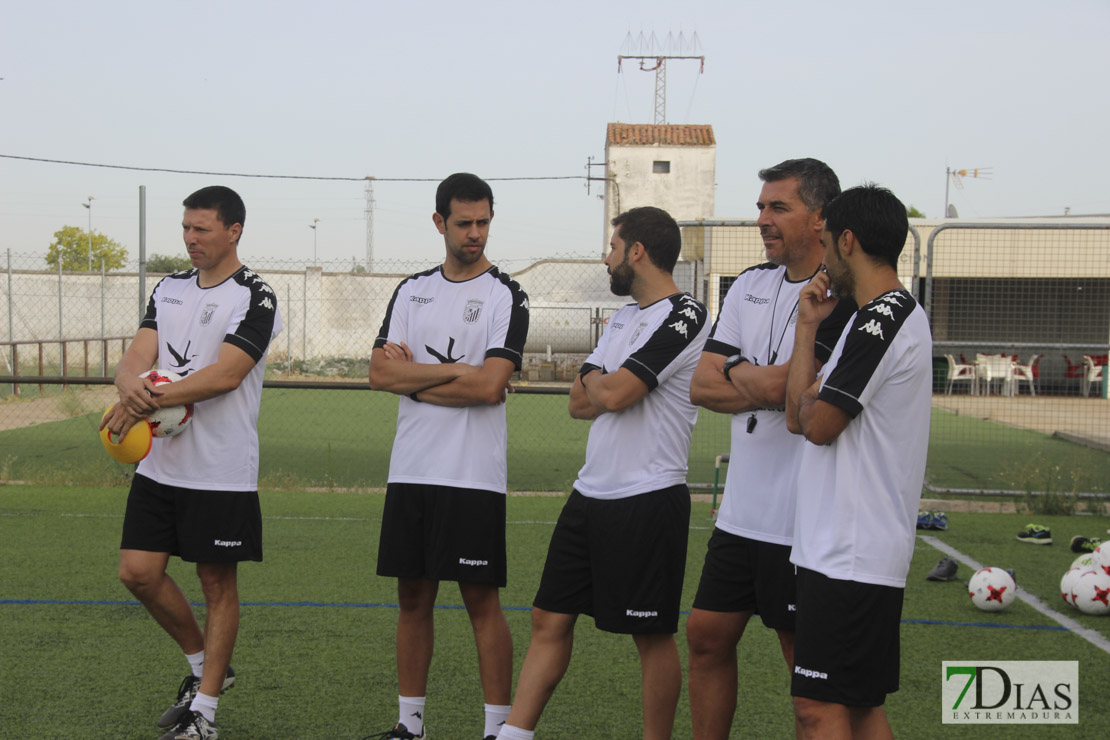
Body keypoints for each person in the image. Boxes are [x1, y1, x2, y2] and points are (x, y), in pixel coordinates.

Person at [498, 206, 710, 740]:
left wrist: (597, 376)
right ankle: (513, 735)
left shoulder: (686, 315)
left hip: (648, 496)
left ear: (637, 250)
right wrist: (601, 380)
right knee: (547, 618)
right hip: (589, 493)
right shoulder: (621, 319)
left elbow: (609, 392)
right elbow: (579, 403)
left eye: (612, 248)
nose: (606, 258)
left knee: (651, 637)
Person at [99, 185, 282, 740]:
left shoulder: (257, 295)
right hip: (160, 466)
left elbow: (226, 375)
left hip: (219, 469)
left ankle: (204, 715)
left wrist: (147, 399)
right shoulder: (171, 286)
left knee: (215, 583)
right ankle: (207, 670)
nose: (190, 239)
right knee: (137, 572)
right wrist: (129, 382)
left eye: (201, 229)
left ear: (234, 231)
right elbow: (139, 352)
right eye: (186, 228)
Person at [686, 158, 851, 739]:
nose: (762, 219)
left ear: (819, 217)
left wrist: (743, 374)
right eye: (760, 206)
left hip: (802, 520)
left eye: (777, 207)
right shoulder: (749, 283)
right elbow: (702, 384)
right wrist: (762, 380)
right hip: (742, 513)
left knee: (809, 679)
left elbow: (802, 393)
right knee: (705, 635)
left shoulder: (841, 294)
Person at [367, 173, 529, 740]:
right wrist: (458, 370)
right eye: (464, 223)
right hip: (412, 468)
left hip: (472, 475)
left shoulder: (507, 294)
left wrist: (413, 380)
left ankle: (496, 730)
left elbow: (491, 388)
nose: (476, 234)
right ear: (440, 223)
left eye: (484, 222)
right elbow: (378, 372)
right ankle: (410, 725)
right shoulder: (412, 290)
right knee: (412, 597)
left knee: (481, 602)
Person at [784, 184, 932, 739]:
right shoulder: (863, 318)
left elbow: (818, 424)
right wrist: (807, 328)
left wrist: (811, 401)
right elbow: (800, 414)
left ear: (847, 241)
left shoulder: (883, 319)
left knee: (819, 709)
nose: (821, 259)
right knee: (861, 706)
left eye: (825, 244)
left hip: (853, 550)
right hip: (843, 547)